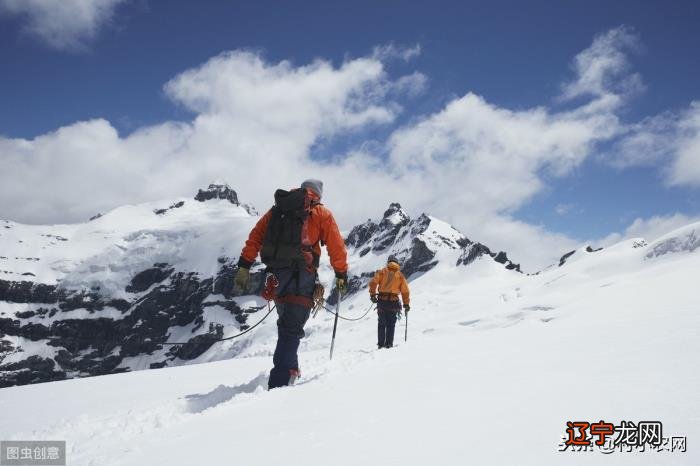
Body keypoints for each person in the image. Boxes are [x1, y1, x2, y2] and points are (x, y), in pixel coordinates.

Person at [234, 179, 348, 389]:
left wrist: (244, 265)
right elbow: (336, 246)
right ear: (318, 194)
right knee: (291, 328)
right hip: (301, 276)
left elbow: (256, 237)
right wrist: (341, 274)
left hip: (276, 277)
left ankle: (291, 369)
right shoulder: (321, 213)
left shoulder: (278, 209)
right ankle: (280, 382)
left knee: (287, 324)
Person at [369, 255, 410, 348]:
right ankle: (389, 344)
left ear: (388, 262)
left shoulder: (382, 271)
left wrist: (372, 294)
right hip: (393, 303)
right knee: (391, 324)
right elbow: (405, 291)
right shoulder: (400, 275)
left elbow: (373, 282)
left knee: (381, 323)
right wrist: (406, 304)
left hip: (382, 302)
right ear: (397, 263)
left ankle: (380, 344)